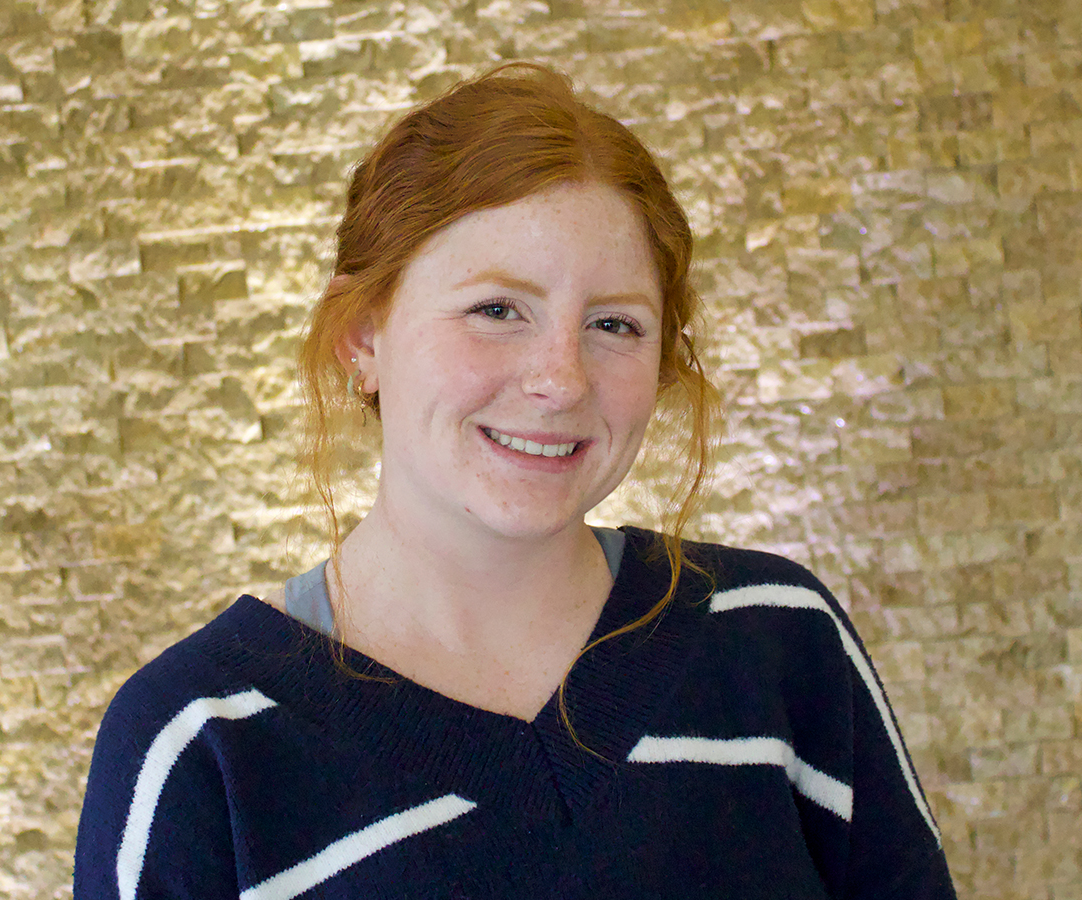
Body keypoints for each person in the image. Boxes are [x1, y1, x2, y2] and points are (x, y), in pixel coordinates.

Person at [74, 63, 957, 899]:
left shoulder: (780, 641)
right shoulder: (198, 742)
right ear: (363, 335)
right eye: (497, 310)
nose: (561, 381)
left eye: (614, 324)